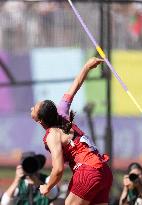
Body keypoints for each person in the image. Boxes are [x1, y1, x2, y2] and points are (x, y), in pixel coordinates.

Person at [30, 57, 113, 205]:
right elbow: (75, 85)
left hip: (88, 172)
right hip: (104, 172)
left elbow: (58, 169)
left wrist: (47, 187)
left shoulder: (52, 135)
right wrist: (87, 66)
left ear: (40, 120)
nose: (31, 108)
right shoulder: (61, 112)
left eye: (34, 108)